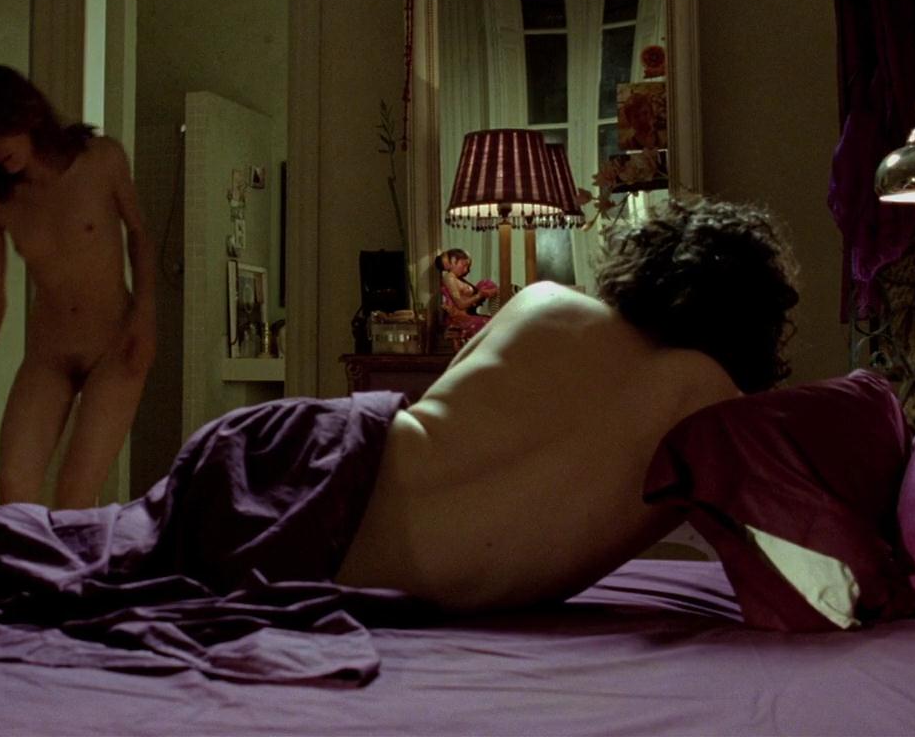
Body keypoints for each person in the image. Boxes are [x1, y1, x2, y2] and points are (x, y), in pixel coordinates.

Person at [334, 198, 799, 611]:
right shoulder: (718, 420)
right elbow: (795, 578)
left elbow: (443, 402)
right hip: (377, 576)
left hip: (326, 459)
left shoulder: (544, 301)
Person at [0, 65, 154, 509]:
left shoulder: (101, 159)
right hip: (49, 352)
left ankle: (77, 558)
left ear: (24, 113)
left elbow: (138, 232)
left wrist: (146, 316)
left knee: (74, 494)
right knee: (12, 484)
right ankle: (22, 557)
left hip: (114, 345)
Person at [434, 247, 496, 344]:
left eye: (468, 266)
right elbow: (460, 304)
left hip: (468, 314)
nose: (466, 270)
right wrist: (479, 295)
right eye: (464, 265)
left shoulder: (457, 278)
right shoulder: (449, 278)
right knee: (495, 325)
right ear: (453, 261)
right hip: (461, 319)